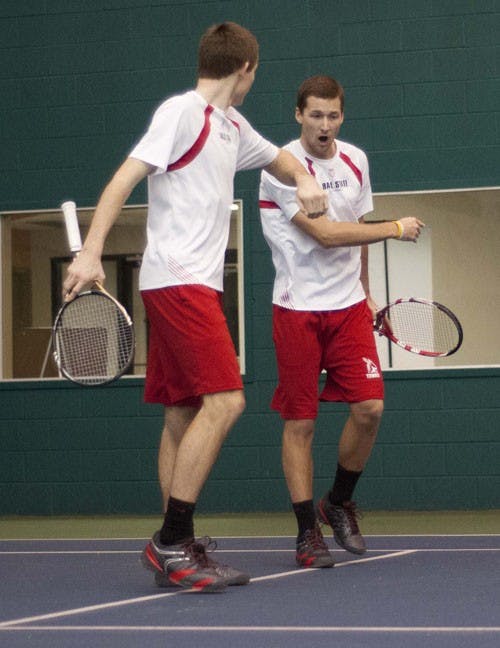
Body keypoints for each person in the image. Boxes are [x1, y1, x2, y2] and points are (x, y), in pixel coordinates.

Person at [63, 23, 328, 593]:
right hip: (178, 281)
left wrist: (304, 178)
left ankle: (176, 541)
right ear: (247, 68)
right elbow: (122, 180)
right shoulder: (181, 112)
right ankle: (170, 541)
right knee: (227, 400)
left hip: (193, 286)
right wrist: (90, 252)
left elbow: (279, 159)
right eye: (255, 71)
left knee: (182, 411)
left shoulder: (232, 126)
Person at [259, 75, 424, 568]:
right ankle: (307, 530)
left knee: (369, 409)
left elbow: (358, 236)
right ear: (298, 114)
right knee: (301, 423)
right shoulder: (280, 169)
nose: (324, 125)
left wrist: (368, 294)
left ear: (342, 117)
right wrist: (394, 228)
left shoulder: (356, 161)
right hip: (297, 308)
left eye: (332, 116)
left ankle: (339, 501)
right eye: (315, 115)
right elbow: (328, 235)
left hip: (349, 306)